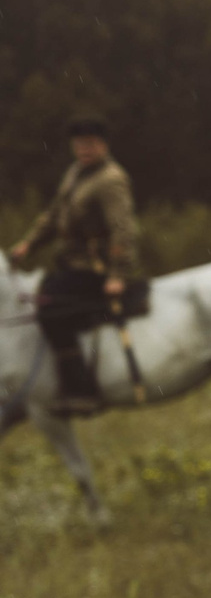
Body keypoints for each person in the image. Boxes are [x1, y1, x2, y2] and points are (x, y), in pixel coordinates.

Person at [10, 116, 142, 417]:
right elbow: (54, 215)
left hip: (96, 269)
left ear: (103, 145)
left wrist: (118, 274)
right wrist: (29, 244)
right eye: (79, 144)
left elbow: (123, 230)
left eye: (91, 144)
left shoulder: (111, 179)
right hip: (73, 264)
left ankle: (81, 391)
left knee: (50, 309)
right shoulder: (75, 173)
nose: (84, 149)